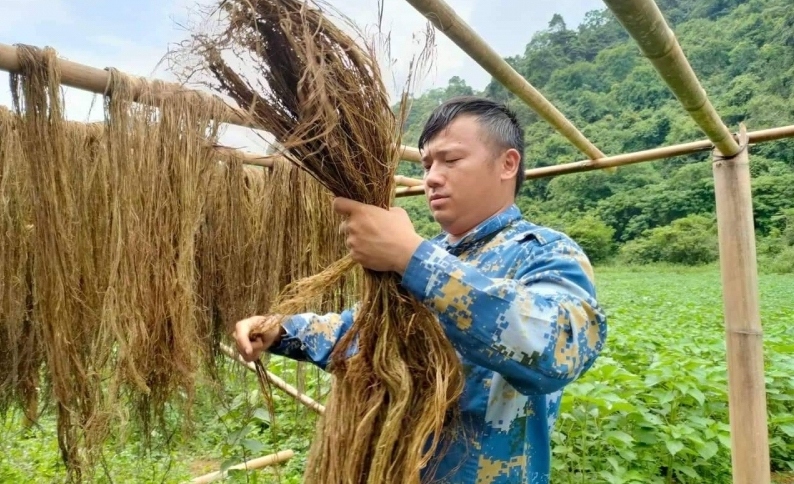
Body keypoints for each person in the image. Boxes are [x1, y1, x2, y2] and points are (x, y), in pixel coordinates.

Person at [233, 96, 607, 483]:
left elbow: (557, 350)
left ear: (507, 164)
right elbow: (363, 335)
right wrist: (283, 329)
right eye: (427, 163)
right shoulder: (427, 255)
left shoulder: (544, 252)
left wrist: (412, 257)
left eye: (451, 160)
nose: (430, 177)